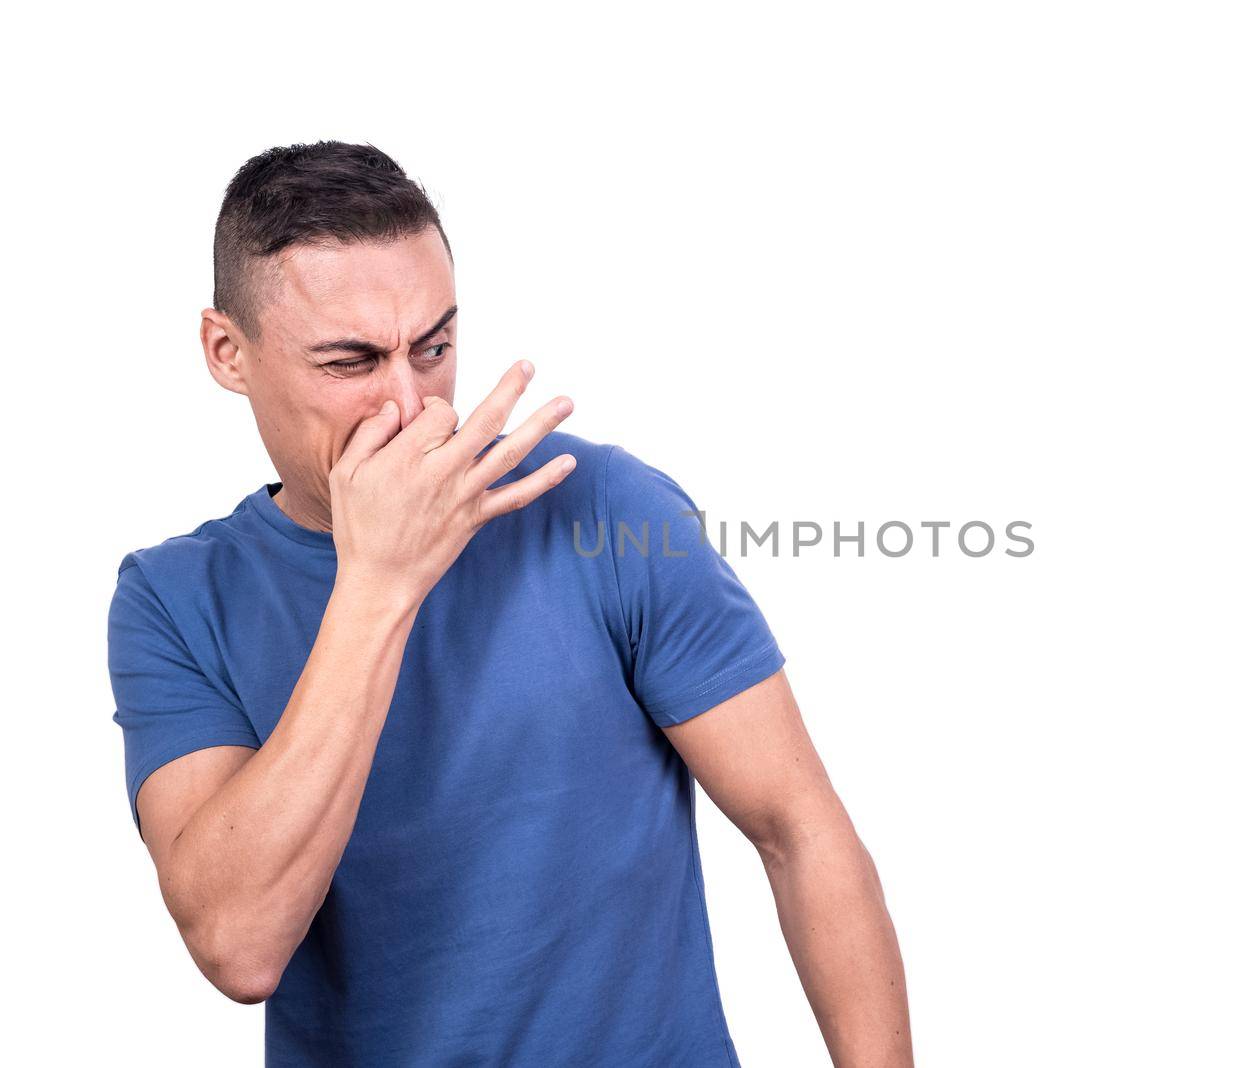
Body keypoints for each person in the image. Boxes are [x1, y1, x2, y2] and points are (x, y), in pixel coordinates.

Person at [107, 141, 912, 1066]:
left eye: (436, 347)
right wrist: (379, 582)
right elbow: (238, 944)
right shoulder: (173, 599)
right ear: (227, 353)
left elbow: (800, 832)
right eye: (351, 361)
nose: (411, 406)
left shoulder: (607, 509)